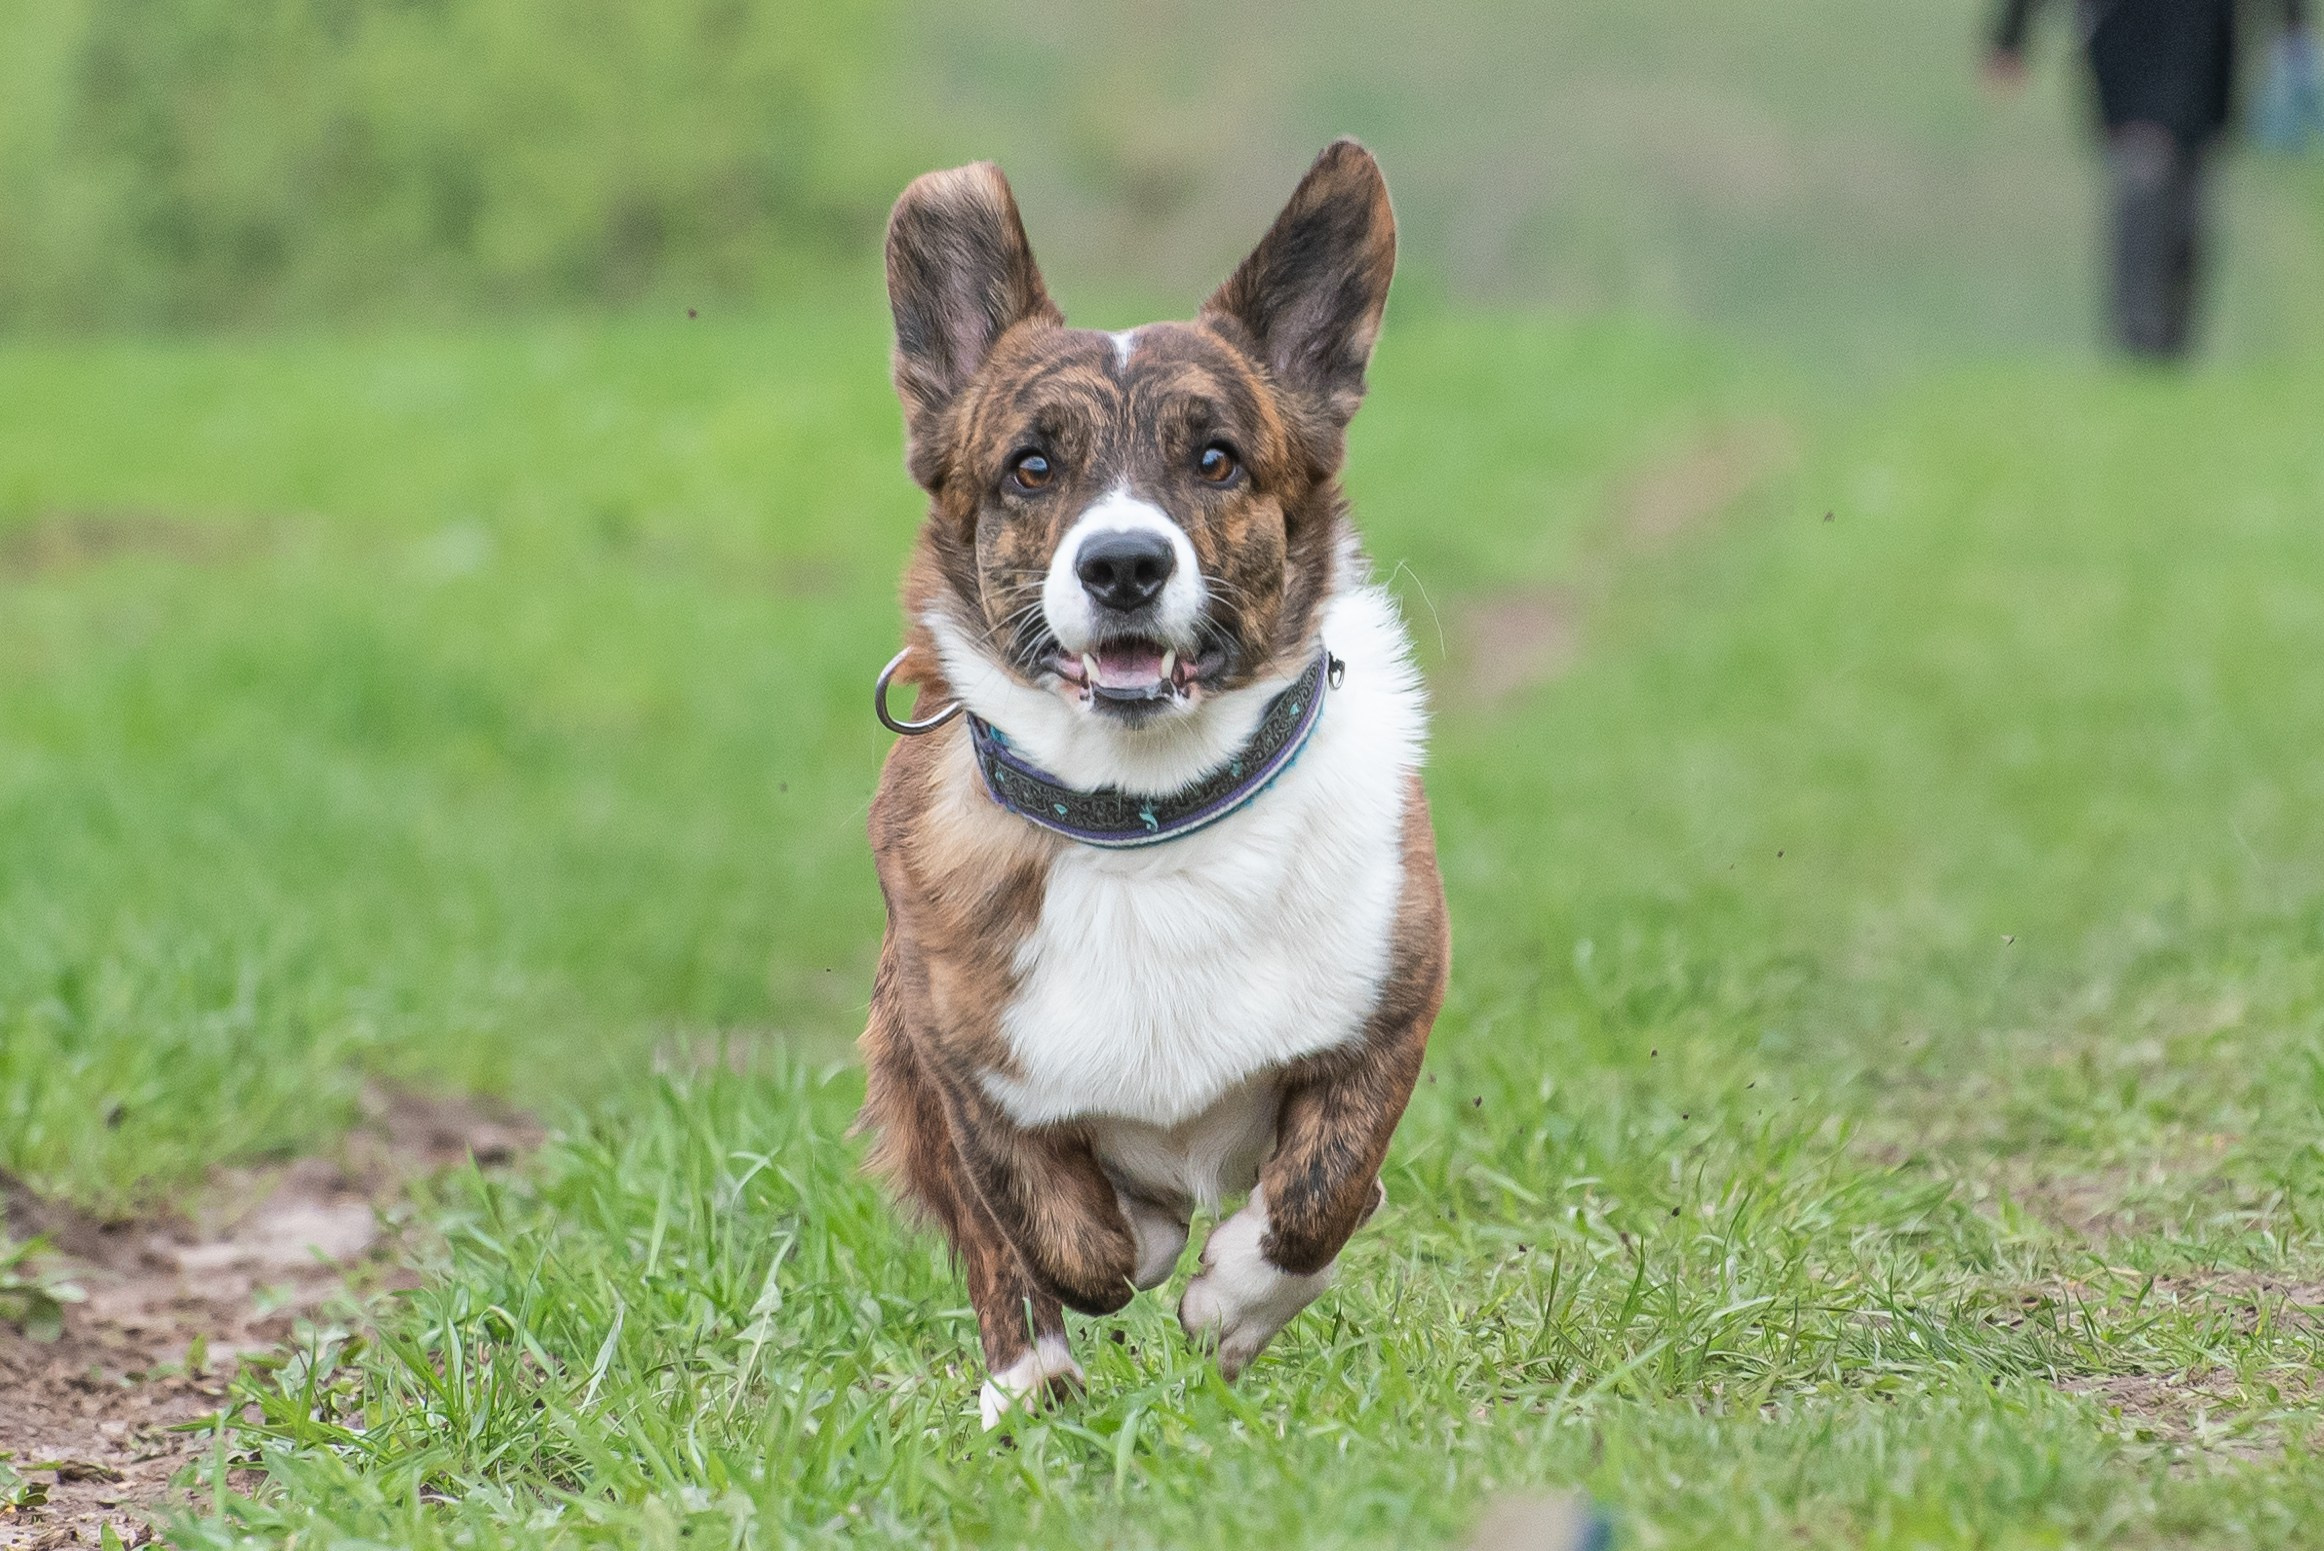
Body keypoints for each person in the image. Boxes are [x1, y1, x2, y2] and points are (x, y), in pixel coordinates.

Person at [1987, 0, 2314, 359]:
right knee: (2145, 172)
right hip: (2126, 41)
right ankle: (2139, 343)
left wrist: (2293, 29)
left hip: (2206, 49)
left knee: (2189, 204)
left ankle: (2172, 346)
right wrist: (2011, 37)